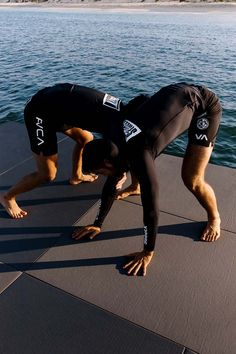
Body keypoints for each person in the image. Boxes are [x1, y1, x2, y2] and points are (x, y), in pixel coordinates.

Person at [72, 82, 222, 276]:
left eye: (100, 172)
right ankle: (136, 186)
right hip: (174, 100)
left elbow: (151, 207)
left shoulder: (141, 153)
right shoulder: (113, 142)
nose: (101, 176)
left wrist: (147, 252)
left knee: (192, 179)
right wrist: (97, 223)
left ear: (107, 163)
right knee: (124, 166)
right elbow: (113, 182)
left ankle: (214, 217)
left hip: (204, 106)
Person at [0, 83, 125, 218]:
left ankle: (76, 176)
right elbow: (123, 157)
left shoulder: (124, 119)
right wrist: (120, 174)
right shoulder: (116, 128)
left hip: (60, 109)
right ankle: (8, 197)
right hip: (40, 111)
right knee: (47, 174)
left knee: (86, 138)